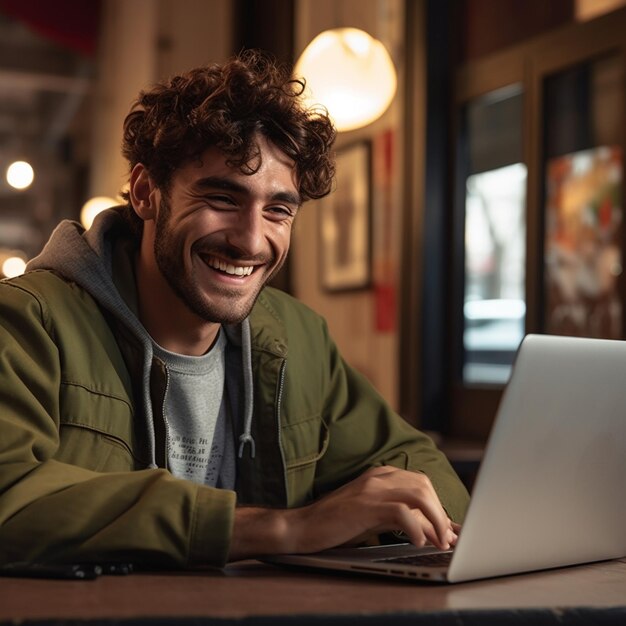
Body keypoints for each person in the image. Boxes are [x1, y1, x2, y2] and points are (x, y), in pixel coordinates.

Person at [0, 50, 469, 569]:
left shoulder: (297, 335)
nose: (251, 240)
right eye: (222, 198)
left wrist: (413, 518)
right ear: (144, 193)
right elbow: (10, 498)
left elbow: (417, 466)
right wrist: (286, 528)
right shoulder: (26, 324)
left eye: (277, 210)